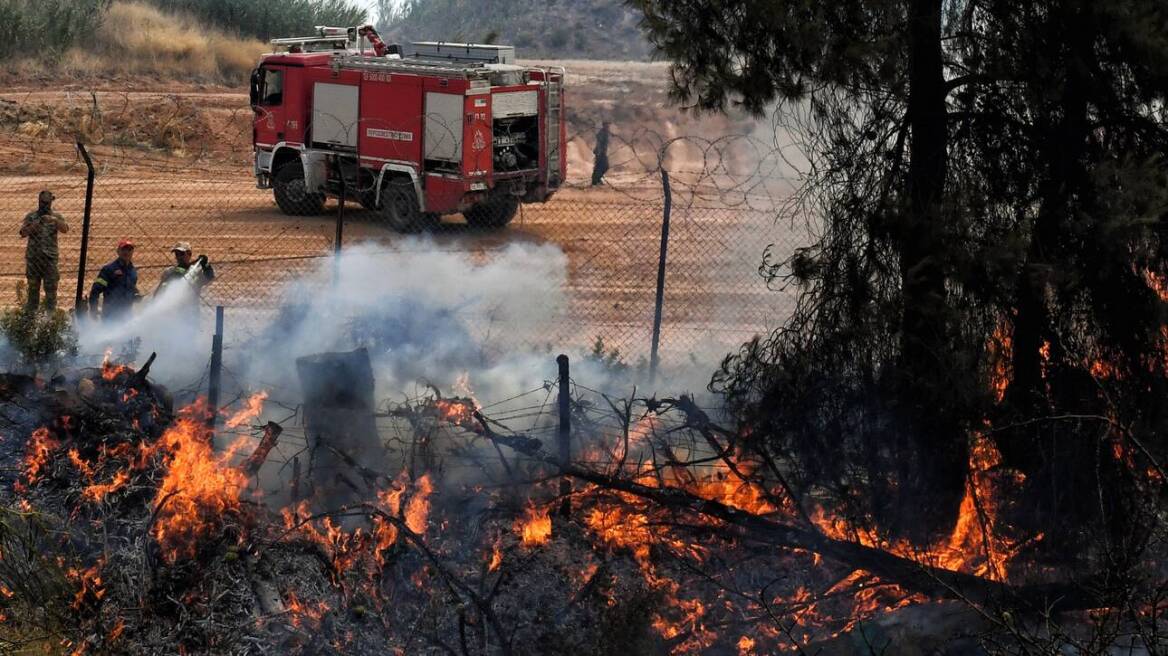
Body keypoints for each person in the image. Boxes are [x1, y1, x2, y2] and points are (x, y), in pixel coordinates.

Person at [19, 190, 69, 312]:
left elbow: (65, 229)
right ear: (38, 201)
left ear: (51, 202)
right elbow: (23, 233)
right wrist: (38, 223)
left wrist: (54, 221)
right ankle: (31, 317)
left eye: (47, 203)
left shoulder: (56, 217)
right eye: (42, 202)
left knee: (51, 291)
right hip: (34, 259)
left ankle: (50, 318)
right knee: (33, 291)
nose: (44, 205)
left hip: (49, 259)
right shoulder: (31, 216)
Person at [88, 240, 139, 321]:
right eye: (123, 249)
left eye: (129, 250)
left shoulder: (133, 270)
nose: (126, 252)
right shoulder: (109, 269)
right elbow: (95, 290)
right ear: (118, 251)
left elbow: (132, 289)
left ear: (132, 252)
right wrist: (93, 309)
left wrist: (136, 296)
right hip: (110, 315)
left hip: (127, 316)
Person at [591, 121, 611, 186]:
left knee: (598, 167)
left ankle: (596, 180)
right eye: (607, 125)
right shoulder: (602, 133)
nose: (608, 127)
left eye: (608, 125)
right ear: (604, 125)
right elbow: (599, 143)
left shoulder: (605, 132)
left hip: (601, 152)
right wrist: (599, 152)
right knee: (605, 166)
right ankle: (596, 180)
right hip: (600, 153)